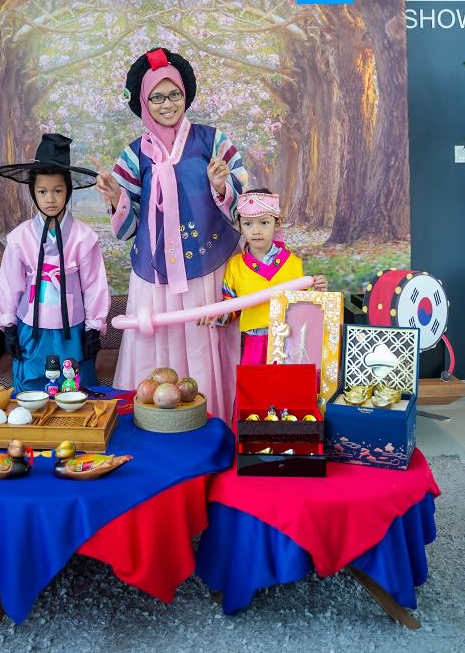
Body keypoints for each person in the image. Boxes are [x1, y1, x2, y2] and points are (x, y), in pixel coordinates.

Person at [96, 46, 248, 422]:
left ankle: (216, 425)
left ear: (186, 95)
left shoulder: (215, 141)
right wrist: (118, 199)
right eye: (157, 97)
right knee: (156, 350)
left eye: (174, 94)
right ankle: (156, 426)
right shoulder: (132, 157)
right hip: (155, 274)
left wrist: (221, 186)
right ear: (144, 103)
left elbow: (244, 211)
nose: (168, 104)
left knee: (207, 342)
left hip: (209, 267)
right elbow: (128, 229)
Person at [0, 133, 110, 393]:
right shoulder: (20, 237)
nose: (50, 199)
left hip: (73, 329)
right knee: (32, 388)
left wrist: (94, 326)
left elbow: (94, 284)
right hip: (31, 328)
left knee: (75, 388)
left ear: (68, 191)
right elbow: (9, 283)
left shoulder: (84, 237)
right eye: (42, 191)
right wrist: (9, 324)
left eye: (58, 190)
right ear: (32, 193)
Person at [216, 188, 328, 365]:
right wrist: (213, 315)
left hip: (289, 345)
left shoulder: (293, 263)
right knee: (255, 391)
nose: (256, 230)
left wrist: (318, 290)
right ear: (239, 226)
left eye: (264, 222)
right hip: (253, 347)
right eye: (248, 224)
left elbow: (305, 306)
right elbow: (232, 310)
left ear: (277, 224)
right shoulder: (235, 266)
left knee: (288, 392)